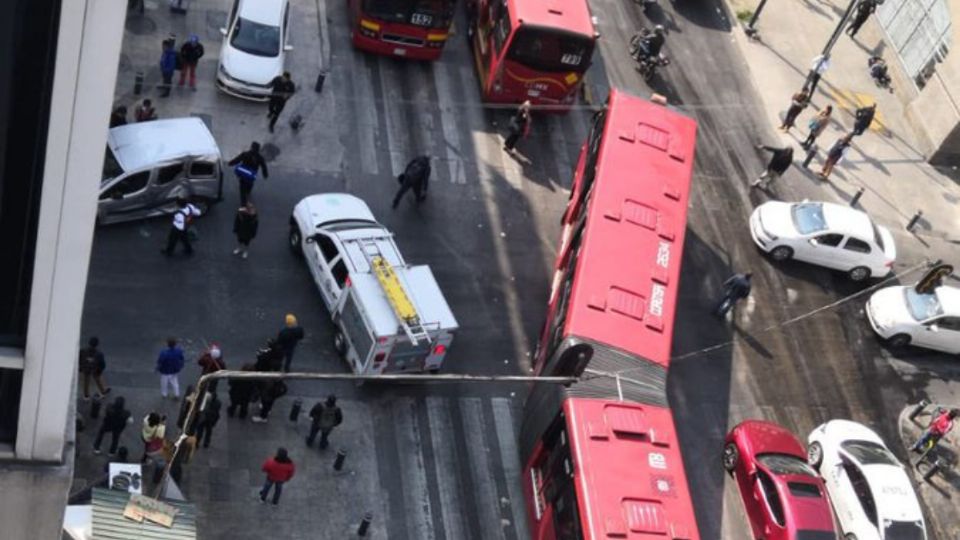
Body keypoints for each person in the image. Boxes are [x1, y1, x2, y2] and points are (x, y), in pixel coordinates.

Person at [228, 142, 269, 206]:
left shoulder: (245, 154)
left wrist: (230, 163)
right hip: (251, 177)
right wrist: (265, 175)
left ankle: (243, 204)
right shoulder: (260, 157)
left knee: (242, 189)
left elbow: (237, 159)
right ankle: (248, 193)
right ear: (258, 149)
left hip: (243, 175)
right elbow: (264, 167)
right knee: (249, 187)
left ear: (251, 147)